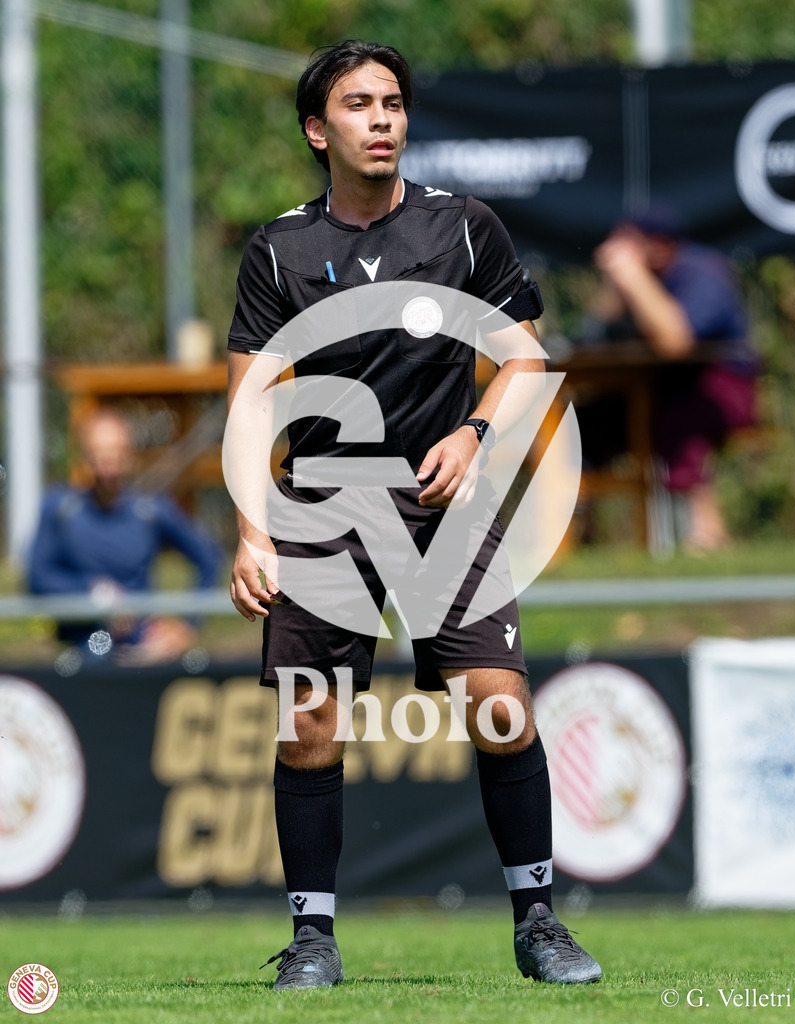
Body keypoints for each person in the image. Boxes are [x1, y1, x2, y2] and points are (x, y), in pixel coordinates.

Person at [227, 40, 601, 990]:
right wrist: (252, 530)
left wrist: (474, 433)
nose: (383, 118)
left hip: (446, 508)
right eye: (359, 104)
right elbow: (250, 404)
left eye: (393, 101)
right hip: (322, 510)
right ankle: (313, 939)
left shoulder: (463, 227)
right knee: (310, 725)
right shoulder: (280, 248)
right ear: (320, 130)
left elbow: (525, 358)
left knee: (501, 706)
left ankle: (540, 924)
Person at [582, 208, 757, 550]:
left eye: (626, 243)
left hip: (722, 391)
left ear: (657, 245)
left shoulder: (704, 273)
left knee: (682, 413)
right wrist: (617, 284)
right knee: (585, 422)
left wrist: (633, 277)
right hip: (653, 385)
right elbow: (592, 335)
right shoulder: (645, 278)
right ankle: (580, 534)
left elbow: (675, 342)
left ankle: (707, 532)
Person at [28, 407, 221, 663]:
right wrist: (93, 592)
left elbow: (208, 558)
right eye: (99, 454)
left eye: (116, 453)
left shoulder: (149, 510)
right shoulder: (61, 510)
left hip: (142, 648)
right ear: (85, 457)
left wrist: (187, 626)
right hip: (82, 646)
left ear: (130, 455)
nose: (108, 465)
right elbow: (38, 576)